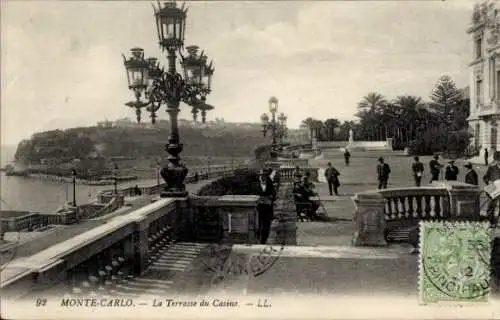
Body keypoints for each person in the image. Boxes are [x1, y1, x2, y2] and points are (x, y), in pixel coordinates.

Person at [256, 169, 276, 244]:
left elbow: (274, 195)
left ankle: (264, 240)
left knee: (266, 225)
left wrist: (270, 198)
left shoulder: (270, 184)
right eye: (261, 176)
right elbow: (254, 195)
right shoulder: (256, 185)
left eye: (263, 176)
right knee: (258, 224)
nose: (262, 177)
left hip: (268, 208)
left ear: (266, 176)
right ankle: (257, 238)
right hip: (258, 208)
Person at [484, 151, 500, 225]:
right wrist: (489, 181)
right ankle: (489, 222)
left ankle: (496, 222)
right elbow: (485, 177)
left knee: (498, 207)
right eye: (497, 160)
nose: (498, 161)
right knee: (491, 206)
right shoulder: (491, 168)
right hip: (493, 191)